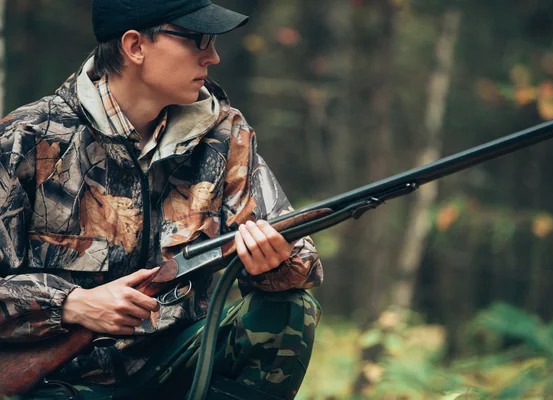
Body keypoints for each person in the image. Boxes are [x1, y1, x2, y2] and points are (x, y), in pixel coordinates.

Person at [0, 0, 323, 399]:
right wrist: (70, 304)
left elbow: (304, 263)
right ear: (135, 46)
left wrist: (273, 265)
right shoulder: (27, 138)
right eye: (196, 40)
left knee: (291, 307)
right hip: (63, 380)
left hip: (179, 361)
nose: (213, 56)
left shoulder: (225, 134)